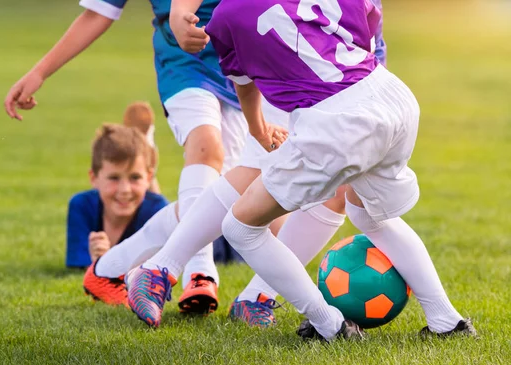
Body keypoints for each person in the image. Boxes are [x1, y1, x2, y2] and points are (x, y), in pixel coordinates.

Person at [127, 0, 476, 339]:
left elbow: (244, 84)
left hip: (338, 120)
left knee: (240, 227)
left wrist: (258, 128)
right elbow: (365, 25)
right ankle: (447, 320)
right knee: (370, 215)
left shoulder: (227, 15)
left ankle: (329, 325)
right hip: (391, 97)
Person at [112, 0, 383, 329]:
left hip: (332, 87)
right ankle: (160, 269)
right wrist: (181, 11)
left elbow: (370, 45)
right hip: (283, 65)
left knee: (334, 191)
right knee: (256, 173)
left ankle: (257, 296)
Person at [3, 0, 254, 314]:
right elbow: (98, 13)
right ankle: (199, 273)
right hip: (183, 63)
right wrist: (39, 73)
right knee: (206, 146)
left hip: (245, 68)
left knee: (225, 197)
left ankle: (108, 269)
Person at [66, 102, 165, 269]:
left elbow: (159, 268)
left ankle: (144, 149)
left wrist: (107, 262)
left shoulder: (157, 209)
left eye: (134, 178)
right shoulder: (82, 205)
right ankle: (142, 150)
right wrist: (96, 260)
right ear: (94, 178)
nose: (124, 190)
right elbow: (79, 267)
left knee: (163, 214)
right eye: (114, 178)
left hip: (218, 240)